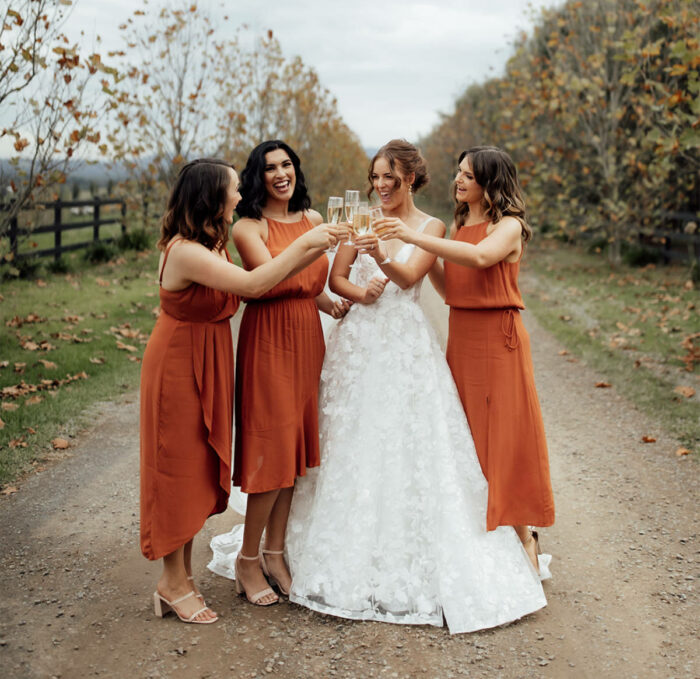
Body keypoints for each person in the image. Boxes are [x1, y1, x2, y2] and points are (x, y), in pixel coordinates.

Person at [282, 140, 547, 634]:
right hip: (375, 342)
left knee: (466, 440)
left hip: (429, 342)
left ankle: (521, 533)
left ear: (410, 179)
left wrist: (393, 248)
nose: (381, 186)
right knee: (354, 437)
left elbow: (423, 275)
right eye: (375, 177)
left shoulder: (446, 227)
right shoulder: (407, 221)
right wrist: (362, 286)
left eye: (391, 178)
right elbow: (422, 284)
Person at [140, 158, 339, 624]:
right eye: (234, 188)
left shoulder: (209, 243)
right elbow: (255, 284)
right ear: (212, 197)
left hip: (205, 356)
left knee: (197, 466)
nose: (241, 194)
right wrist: (310, 241)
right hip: (178, 364)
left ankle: (181, 578)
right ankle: (172, 583)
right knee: (177, 470)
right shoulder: (187, 251)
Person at [376, 145, 555, 571]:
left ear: (489, 184)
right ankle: (482, 540)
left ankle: (525, 535)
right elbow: (452, 291)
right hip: (464, 337)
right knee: (468, 441)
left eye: (468, 176)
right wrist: (423, 257)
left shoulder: (508, 226)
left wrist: (414, 236)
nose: (458, 180)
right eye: (458, 173)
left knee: (503, 441)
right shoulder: (460, 225)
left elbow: (479, 258)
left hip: (498, 340)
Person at [224, 140, 351, 607]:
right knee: (271, 454)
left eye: (288, 165)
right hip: (268, 342)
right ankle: (246, 558)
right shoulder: (248, 228)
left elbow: (307, 280)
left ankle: (276, 554)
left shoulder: (313, 220)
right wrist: (309, 243)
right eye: (271, 167)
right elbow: (270, 277)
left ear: (297, 170)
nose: (281, 173)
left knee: (294, 455)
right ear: (257, 177)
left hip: (306, 338)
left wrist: (328, 302)